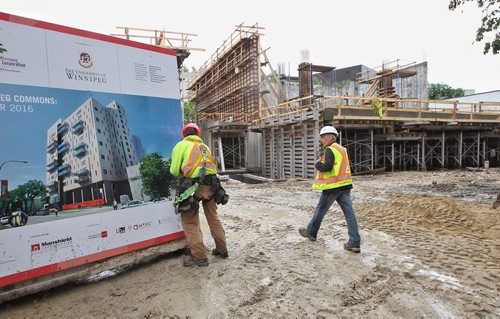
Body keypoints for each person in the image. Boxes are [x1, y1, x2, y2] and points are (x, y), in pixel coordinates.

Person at [170, 123, 229, 267]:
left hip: (193, 187)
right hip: (212, 185)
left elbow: (174, 171)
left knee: (190, 222)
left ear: (184, 135)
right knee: (213, 217)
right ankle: (222, 250)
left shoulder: (181, 146)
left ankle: (200, 257)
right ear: (197, 134)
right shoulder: (205, 147)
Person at [299, 126, 361, 253]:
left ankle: (311, 233)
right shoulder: (342, 149)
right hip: (345, 185)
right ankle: (354, 243)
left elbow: (327, 167)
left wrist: (317, 164)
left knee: (320, 210)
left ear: (331, 136)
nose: (321, 139)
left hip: (333, 186)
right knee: (350, 214)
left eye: (323, 137)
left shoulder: (330, 150)